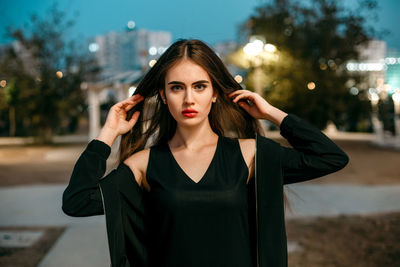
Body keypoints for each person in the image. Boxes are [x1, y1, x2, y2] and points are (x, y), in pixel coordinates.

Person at [62, 39, 349, 267]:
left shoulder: (250, 154)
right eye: (177, 88)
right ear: (163, 95)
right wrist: (107, 134)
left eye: (199, 86)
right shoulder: (143, 164)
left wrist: (272, 113)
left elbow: (330, 157)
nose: (189, 98)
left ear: (214, 92)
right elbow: (76, 202)